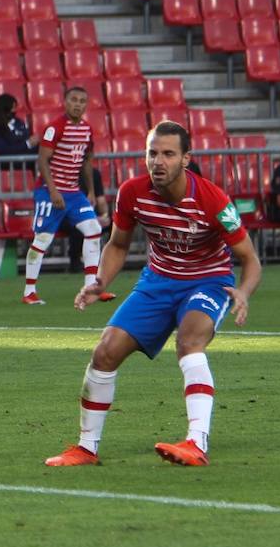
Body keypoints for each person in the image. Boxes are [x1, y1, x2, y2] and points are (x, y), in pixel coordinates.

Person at [45, 121, 262, 468]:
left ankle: (196, 442)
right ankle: (86, 448)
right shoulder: (132, 192)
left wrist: (244, 291)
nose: (158, 161)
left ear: (186, 159)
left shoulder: (213, 200)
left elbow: (250, 259)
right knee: (104, 352)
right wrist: (100, 281)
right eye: (152, 153)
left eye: (168, 154)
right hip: (157, 282)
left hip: (208, 281)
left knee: (189, 342)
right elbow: (117, 245)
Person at [22, 87, 111, 306]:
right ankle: (29, 291)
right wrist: (53, 191)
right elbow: (42, 161)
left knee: (94, 230)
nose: (78, 104)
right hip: (48, 192)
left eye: (82, 101)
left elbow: (87, 161)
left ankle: (92, 287)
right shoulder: (54, 127)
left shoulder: (87, 130)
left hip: (74, 192)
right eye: (73, 100)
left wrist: (89, 190)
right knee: (43, 239)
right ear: (65, 102)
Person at [66, 166, 110, 273]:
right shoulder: (67, 175)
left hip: (90, 214)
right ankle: (75, 262)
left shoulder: (94, 173)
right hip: (66, 215)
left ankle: (110, 259)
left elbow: (100, 199)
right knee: (80, 226)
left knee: (114, 224)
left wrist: (104, 215)